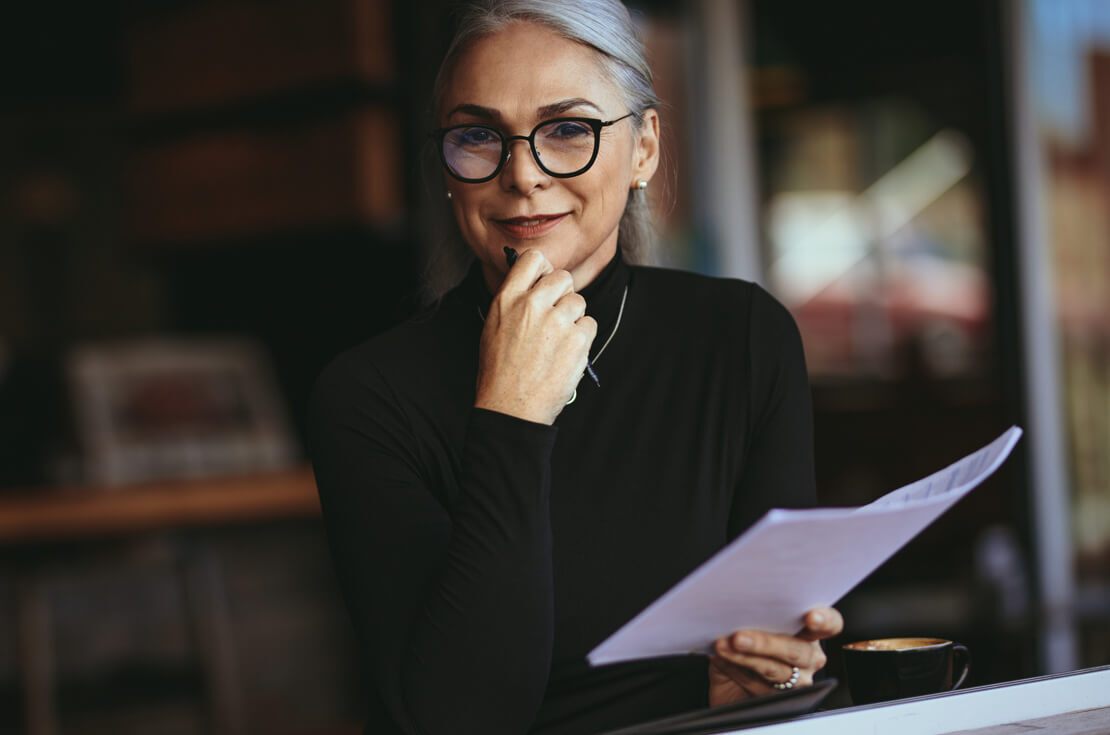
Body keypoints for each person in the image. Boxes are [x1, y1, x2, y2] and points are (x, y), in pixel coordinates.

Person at [307, 1, 844, 733]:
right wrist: (510, 417)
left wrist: (771, 680)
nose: (522, 173)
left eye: (567, 130)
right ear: (445, 167)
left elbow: (780, 661)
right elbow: (459, 719)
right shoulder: (368, 397)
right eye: (477, 136)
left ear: (645, 149)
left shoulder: (742, 338)